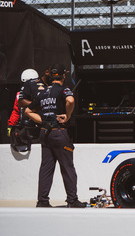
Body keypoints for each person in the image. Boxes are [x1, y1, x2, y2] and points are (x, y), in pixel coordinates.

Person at [24, 64, 86, 208]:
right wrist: (68, 116)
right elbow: (70, 101)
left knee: (46, 168)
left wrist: (44, 121)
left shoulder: (43, 92)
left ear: (51, 76)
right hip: (59, 133)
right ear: (63, 76)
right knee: (67, 167)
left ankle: (42, 201)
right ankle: (72, 200)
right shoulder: (64, 90)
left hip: (45, 133)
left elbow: (27, 111)